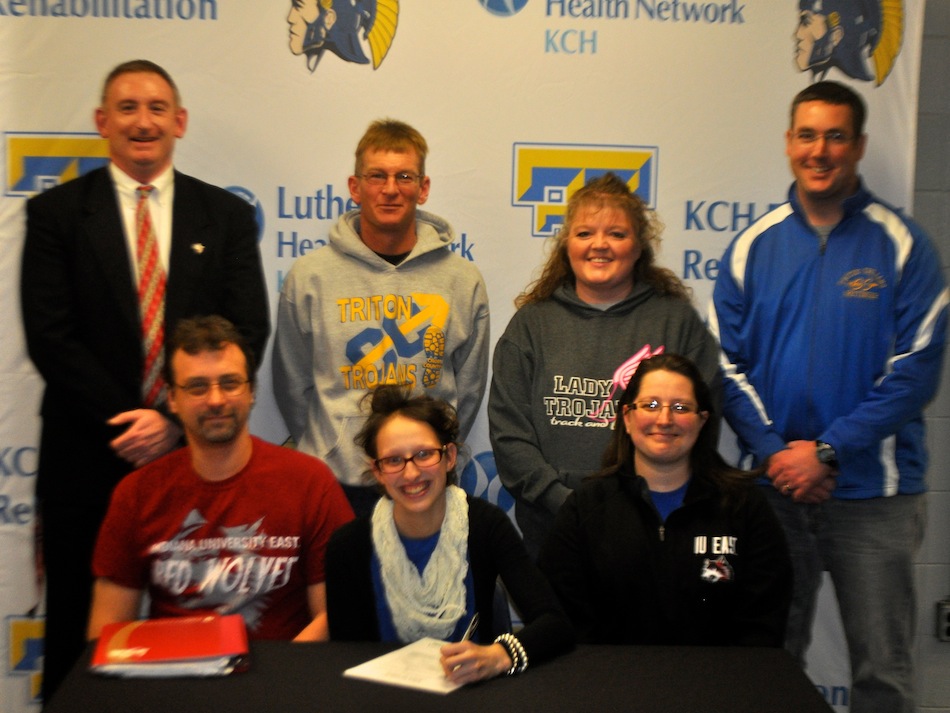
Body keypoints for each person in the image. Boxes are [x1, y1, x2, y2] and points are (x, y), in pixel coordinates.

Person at [20, 59, 269, 698]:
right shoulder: (55, 214)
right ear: (102, 123)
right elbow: (50, 336)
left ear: (179, 122)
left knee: (195, 617)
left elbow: (246, 330)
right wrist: (134, 420)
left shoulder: (226, 218)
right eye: (126, 108)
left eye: (157, 107)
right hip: (87, 455)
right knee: (80, 625)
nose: (143, 121)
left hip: (197, 457)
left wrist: (171, 420)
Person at [711, 81, 948, 713]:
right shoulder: (751, 248)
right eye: (808, 135)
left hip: (875, 498)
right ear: (789, 142)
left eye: (836, 136)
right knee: (765, 666)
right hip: (774, 493)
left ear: (860, 146)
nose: (821, 151)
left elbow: (917, 371)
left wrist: (828, 451)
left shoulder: (903, 247)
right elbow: (724, 368)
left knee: (883, 672)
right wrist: (776, 456)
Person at [489, 172, 719, 559]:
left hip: (653, 526)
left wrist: (640, 504)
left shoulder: (676, 323)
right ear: (566, 245)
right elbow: (510, 433)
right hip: (553, 528)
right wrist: (562, 501)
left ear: (639, 246)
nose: (599, 245)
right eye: (584, 234)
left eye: (616, 233)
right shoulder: (531, 325)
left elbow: (701, 421)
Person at [88, 316, 353, 643]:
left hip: (280, 678)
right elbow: (106, 632)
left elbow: (334, 616)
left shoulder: (310, 481)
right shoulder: (136, 493)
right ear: (172, 398)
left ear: (252, 390)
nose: (216, 400)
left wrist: (274, 681)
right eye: (197, 386)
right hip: (175, 679)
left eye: (230, 383)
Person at [273, 119, 489, 517]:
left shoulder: (462, 280)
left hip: (425, 482)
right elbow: (293, 386)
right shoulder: (310, 277)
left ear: (423, 188)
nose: (390, 189)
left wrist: (427, 453)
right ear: (355, 187)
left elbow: (469, 390)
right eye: (377, 176)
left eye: (404, 176)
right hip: (335, 481)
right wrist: (333, 444)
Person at [325, 385, 573, 684]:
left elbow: (555, 623)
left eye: (424, 454)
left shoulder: (485, 525)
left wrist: (498, 655)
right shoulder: (348, 547)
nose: (411, 473)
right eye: (393, 460)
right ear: (376, 470)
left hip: (472, 693)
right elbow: (343, 656)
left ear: (450, 456)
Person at [538, 354, 791, 646]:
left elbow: (763, 624)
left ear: (702, 421)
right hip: (609, 684)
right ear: (628, 418)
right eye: (651, 405)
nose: (665, 419)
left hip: (719, 686)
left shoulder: (744, 507)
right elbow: (561, 616)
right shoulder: (586, 507)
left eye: (681, 407)